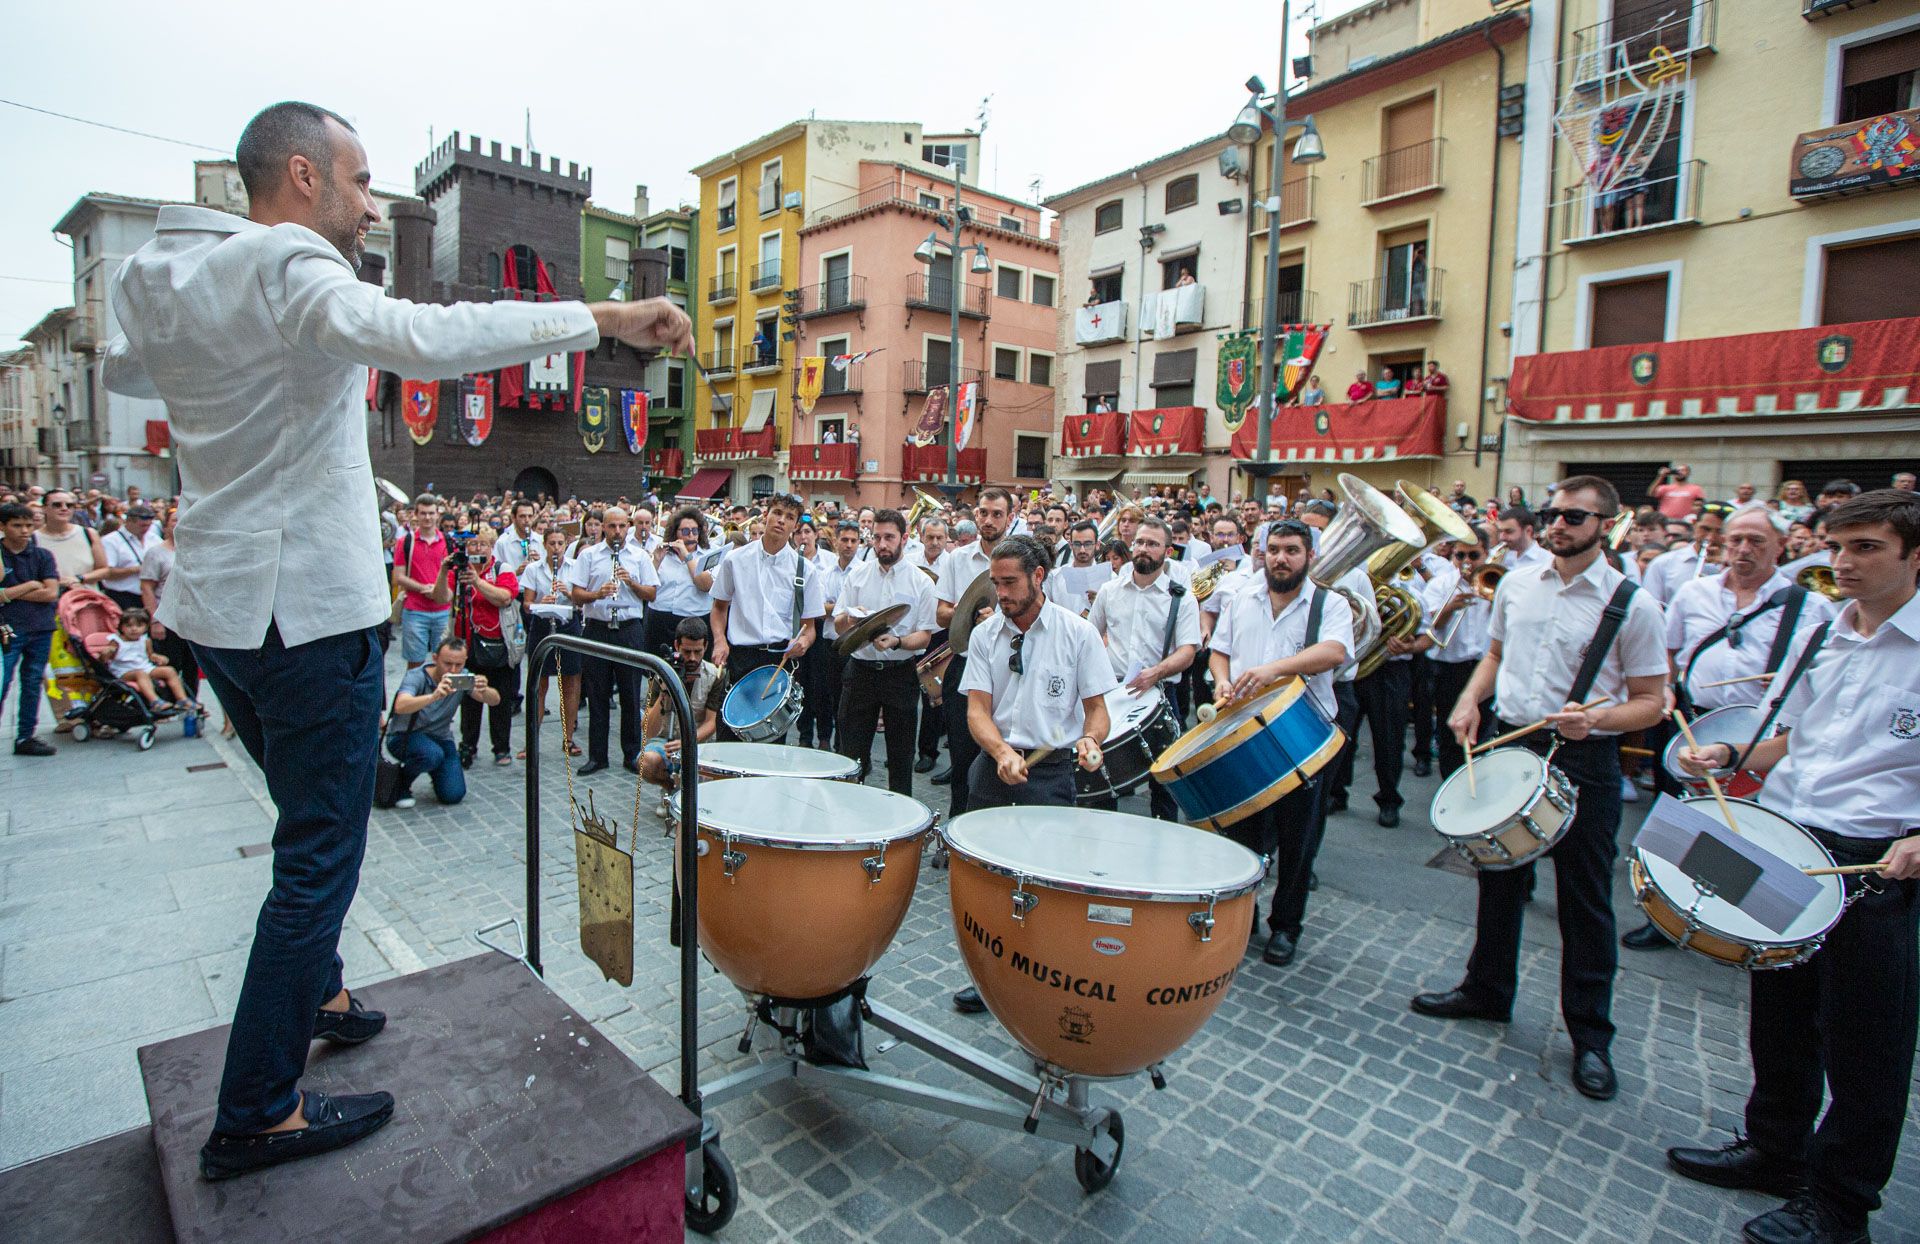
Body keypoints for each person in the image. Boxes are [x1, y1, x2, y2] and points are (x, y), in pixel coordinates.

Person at [99, 101, 694, 1180]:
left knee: (301, 814)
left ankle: (318, 989)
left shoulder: (168, 277)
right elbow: (427, 336)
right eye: (361, 180)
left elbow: (129, 372)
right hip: (304, 607)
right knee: (319, 852)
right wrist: (603, 314)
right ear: (299, 177)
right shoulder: (290, 266)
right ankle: (258, 1107)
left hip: (219, 608)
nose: (373, 204)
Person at [1664, 489, 1920, 1244]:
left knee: (1866, 1045)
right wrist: (1731, 754)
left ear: (1914, 555)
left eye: (1867, 547)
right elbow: (1790, 739)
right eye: (1838, 547)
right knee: (1780, 1013)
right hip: (1791, 840)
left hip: (1877, 862)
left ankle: (1840, 1207)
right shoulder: (1821, 635)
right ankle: (1774, 1150)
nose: (1844, 563)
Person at [1411, 476, 1668, 1102]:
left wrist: (1597, 720)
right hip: (1511, 741)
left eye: (1574, 517)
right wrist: (1471, 700)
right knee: (1498, 880)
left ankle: (1591, 1037)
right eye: (1553, 514)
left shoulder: (1633, 603)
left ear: (1605, 525)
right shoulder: (1518, 582)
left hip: (1585, 759)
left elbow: (1653, 702)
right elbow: (1495, 654)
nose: (1559, 524)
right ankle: (1487, 991)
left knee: (1584, 902)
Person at [1618, 503, 1834, 953]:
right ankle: (1670, 913)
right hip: (1692, 721)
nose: (1742, 549)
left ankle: (1727, 923)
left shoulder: (1809, 606)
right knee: (1682, 816)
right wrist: (1668, 691)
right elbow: (1669, 654)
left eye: (1756, 541)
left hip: (1758, 734)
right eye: (1735, 539)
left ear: (1780, 546)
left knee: (1742, 824)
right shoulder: (1694, 593)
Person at [950, 534, 1114, 1012]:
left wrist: (1090, 738)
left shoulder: (1077, 633)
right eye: (995, 583)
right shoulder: (985, 636)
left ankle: (1040, 974)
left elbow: (1097, 709)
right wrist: (1000, 751)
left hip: (1052, 772)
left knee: (1044, 882)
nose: (999, 594)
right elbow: (977, 710)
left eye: (1009, 583)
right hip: (994, 768)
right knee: (989, 881)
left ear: (1039, 577)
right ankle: (986, 976)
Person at [1208, 519, 1355, 966]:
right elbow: (1220, 651)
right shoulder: (1242, 600)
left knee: (1298, 838)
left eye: (1291, 550)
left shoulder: (1329, 603)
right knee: (1241, 832)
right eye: (1274, 549)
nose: (1281, 558)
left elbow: (1335, 652)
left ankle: (1286, 926)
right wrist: (1221, 683)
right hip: (1246, 732)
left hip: (1304, 733)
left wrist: (1274, 669)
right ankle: (1242, 916)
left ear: (1308, 556)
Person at [1088, 516, 1200, 821]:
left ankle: (1161, 837)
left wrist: (1156, 672)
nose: (1144, 549)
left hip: (1161, 691)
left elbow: (1188, 650)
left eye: (1153, 544)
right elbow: (1088, 637)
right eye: (1139, 542)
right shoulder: (1110, 591)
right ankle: (1101, 833)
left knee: (1165, 778)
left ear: (1167, 551)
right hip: (1111, 693)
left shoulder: (1182, 598)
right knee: (1100, 773)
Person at [834, 508, 937, 794]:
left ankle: (899, 825)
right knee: (851, 754)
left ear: (904, 538)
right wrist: (853, 619)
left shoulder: (921, 582)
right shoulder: (858, 576)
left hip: (900, 674)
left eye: (889, 537)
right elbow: (839, 624)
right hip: (860, 672)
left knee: (901, 757)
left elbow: (926, 636)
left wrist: (898, 642)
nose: (881, 544)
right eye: (877, 538)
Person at [709, 492, 824, 742]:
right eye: (778, 513)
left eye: (789, 517)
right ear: (766, 515)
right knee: (728, 740)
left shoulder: (806, 570)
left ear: (795, 526)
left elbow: (809, 627)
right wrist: (720, 640)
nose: (782, 520)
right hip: (740, 658)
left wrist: (803, 643)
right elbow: (719, 608)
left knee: (768, 745)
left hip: (778, 662)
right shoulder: (735, 560)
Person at [934, 488, 1015, 817]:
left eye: (997, 514)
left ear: (1009, 518)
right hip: (966, 665)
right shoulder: (957, 559)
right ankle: (956, 827)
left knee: (1005, 753)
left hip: (1009, 670)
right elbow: (941, 613)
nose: (989, 520)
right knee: (962, 755)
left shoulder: (1023, 558)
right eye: (984, 513)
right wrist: (967, 613)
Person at [566, 506, 659, 774]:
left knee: (630, 693)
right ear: (603, 527)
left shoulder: (639, 556)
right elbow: (576, 594)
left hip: (629, 628)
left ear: (628, 526)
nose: (617, 532)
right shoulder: (589, 556)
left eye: (621, 526)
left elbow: (651, 594)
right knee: (597, 693)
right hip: (598, 627)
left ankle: (631, 754)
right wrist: (597, 595)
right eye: (612, 527)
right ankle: (598, 756)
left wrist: (630, 583)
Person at [1412, 529, 1494, 778]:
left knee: (1485, 731)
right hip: (1449, 669)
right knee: (1450, 733)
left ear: (1486, 554)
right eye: (1460, 555)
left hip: (1485, 667)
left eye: (1474, 555)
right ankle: (1451, 783)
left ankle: (1479, 782)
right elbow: (1428, 627)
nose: (1467, 561)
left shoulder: (1499, 581)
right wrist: (1450, 608)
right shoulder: (1441, 584)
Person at [387, 636, 500, 808]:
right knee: (432, 755)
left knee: (453, 794)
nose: (453, 670)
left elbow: (495, 700)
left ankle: (436, 771)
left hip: (440, 738)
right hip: (405, 736)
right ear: (435, 658)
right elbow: (400, 706)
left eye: (459, 665)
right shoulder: (417, 676)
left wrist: (485, 690)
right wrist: (433, 697)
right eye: (447, 664)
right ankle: (402, 783)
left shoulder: (462, 678)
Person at [450, 526, 520, 769]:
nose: (477, 548)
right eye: (473, 544)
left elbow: (505, 597)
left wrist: (477, 582)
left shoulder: (502, 568)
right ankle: (468, 745)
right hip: (466, 647)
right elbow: (442, 598)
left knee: (499, 699)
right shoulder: (459, 570)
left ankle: (501, 747)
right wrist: (443, 570)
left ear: (492, 547)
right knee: (468, 698)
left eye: (483, 544)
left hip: (497, 646)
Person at [1, 501, 61, 756]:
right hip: (8, 629)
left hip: (40, 627)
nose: (25, 530)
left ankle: (26, 735)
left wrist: (10, 593)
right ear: (3, 527)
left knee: (33, 681)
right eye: (17, 525)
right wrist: (30, 585)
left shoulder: (42, 555)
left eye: (28, 525)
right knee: (3, 684)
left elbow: (50, 593)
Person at [637, 617, 726, 790]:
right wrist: (664, 693)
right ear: (677, 646)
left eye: (698, 652)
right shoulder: (662, 672)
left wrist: (688, 741)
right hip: (666, 740)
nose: (692, 658)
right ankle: (670, 787)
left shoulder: (716, 675)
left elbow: (711, 723)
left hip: (700, 742)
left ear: (706, 647)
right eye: (687, 652)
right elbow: (648, 729)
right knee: (645, 763)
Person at [518, 527, 581, 758]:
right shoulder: (534, 569)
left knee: (570, 683)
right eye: (552, 543)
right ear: (545, 544)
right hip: (542, 625)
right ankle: (531, 740)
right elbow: (526, 603)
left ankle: (569, 739)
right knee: (539, 683)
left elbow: (582, 600)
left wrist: (569, 592)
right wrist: (540, 602)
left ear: (566, 544)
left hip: (568, 624)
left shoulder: (575, 568)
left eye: (560, 543)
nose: (556, 548)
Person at [139, 508, 200, 709]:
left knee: (192, 665)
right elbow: (147, 587)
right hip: (167, 618)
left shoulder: (195, 549)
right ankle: (167, 704)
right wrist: (154, 620)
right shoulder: (156, 553)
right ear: (165, 526)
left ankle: (190, 704)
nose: (178, 523)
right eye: (174, 520)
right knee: (170, 663)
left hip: (192, 617)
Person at [647, 505, 721, 662]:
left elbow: (705, 585)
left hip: (695, 620)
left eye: (695, 531)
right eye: (685, 531)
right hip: (661, 618)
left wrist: (687, 556)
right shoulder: (663, 552)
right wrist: (656, 561)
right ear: (675, 533)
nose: (691, 536)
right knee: (658, 672)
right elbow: (648, 586)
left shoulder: (710, 553)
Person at [392, 494, 453, 671]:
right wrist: (423, 588)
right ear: (416, 515)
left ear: (437, 515)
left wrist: (437, 591)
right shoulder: (405, 542)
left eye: (431, 513)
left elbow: (452, 577)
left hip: (441, 610)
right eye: (423, 513)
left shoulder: (448, 542)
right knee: (414, 663)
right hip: (415, 610)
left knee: (444, 663)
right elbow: (398, 577)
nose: (427, 517)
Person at [106, 607, 192, 708]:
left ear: (146, 627)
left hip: (144, 667)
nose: (134, 629)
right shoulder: (116, 641)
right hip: (124, 671)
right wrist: (107, 652)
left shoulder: (145, 640)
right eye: (129, 626)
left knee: (169, 670)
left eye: (139, 625)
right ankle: (155, 701)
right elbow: (105, 659)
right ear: (121, 627)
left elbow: (150, 655)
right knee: (140, 674)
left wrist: (159, 658)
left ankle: (182, 699)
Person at [100, 504, 162, 610]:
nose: (146, 529)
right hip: (122, 597)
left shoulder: (154, 539)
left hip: (151, 596)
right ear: (129, 521)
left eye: (149, 526)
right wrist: (138, 569)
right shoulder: (110, 541)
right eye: (142, 526)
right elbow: (107, 573)